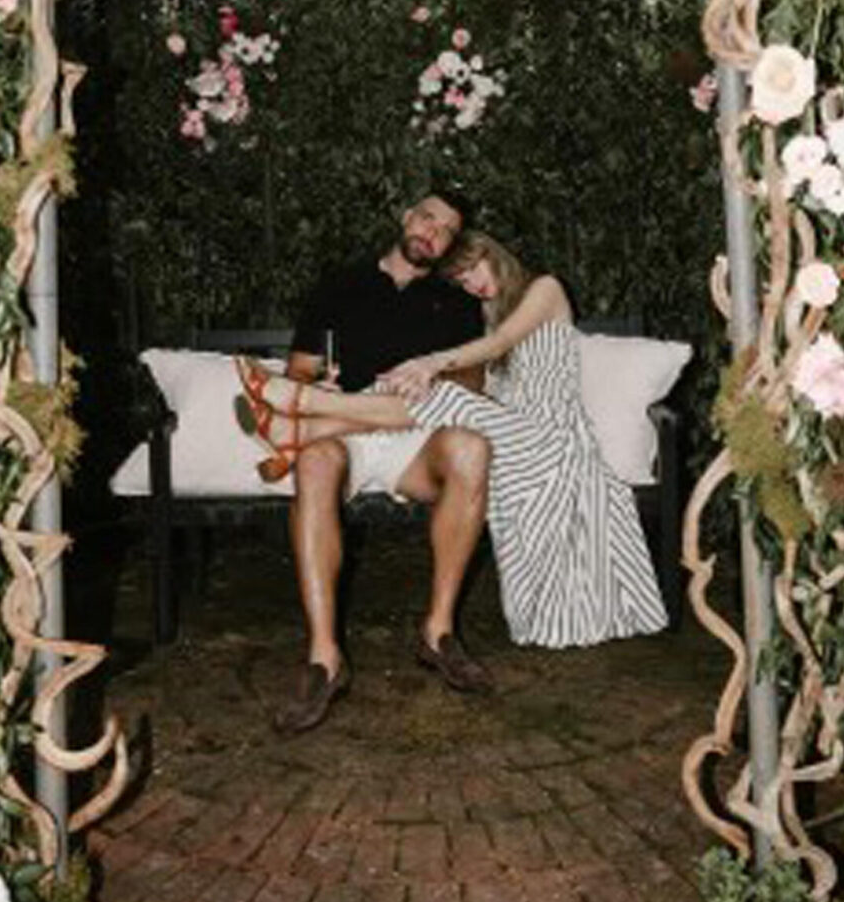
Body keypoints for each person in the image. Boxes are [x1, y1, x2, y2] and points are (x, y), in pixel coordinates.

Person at [239, 230, 668, 651]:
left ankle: (304, 415)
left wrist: (431, 363)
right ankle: (302, 429)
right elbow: (493, 380)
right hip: (517, 433)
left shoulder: (545, 289)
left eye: (472, 269)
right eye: (461, 281)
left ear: (491, 254)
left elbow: (499, 344)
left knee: (441, 394)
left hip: (553, 436)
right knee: (432, 395)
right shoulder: (491, 313)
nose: (472, 284)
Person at [250, 187, 493, 734]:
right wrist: (320, 384)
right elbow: (300, 372)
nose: (433, 233)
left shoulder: (456, 301)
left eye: (446, 231)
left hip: (416, 436)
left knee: (471, 447)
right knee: (314, 463)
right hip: (346, 440)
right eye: (428, 218)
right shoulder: (340, 285)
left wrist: (432, 374)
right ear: (407, 217)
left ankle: (438, 632)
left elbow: (470, 387)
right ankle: (324, 659)